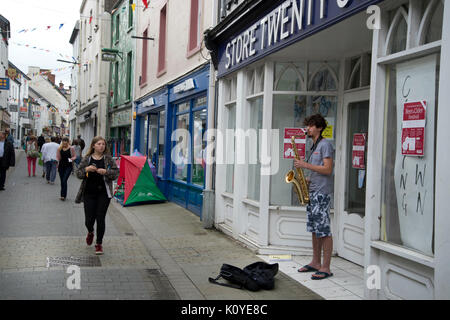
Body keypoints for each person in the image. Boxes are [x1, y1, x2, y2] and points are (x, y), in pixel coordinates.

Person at [294, 114, 334, 280]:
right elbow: (318, 171)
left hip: (322, 194)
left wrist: (304, 165)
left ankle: (326, 267)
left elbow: (327, 169)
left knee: (324, 230)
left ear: (319, 127)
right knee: (314, 229)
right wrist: (306, 179)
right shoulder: (314, 145)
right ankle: (315, 262)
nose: (308, 129)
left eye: (311, 125)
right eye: (308, 125)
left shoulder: (325, 144)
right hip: (313, 191)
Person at [75, 136, 119, 255]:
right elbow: (78, 174)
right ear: (93, 145)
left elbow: (116, 173)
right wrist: (87, 169)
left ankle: (99, 244)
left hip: (104, 193)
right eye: (99, 144)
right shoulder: (87, 158)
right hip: (89, 193)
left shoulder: (108, 159)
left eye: (103, 144)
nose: (101, 146)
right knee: (89, 220)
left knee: (100, 218)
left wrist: (106, 172)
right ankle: (90, 231)